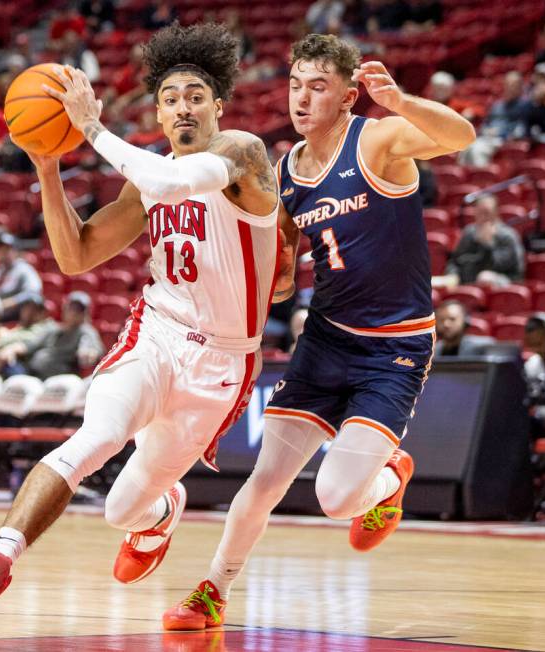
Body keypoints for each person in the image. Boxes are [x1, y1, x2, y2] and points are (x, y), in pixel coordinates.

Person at [0, 21, 280, 626]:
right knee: (95, 437)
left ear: (218, 108)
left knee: (122, 509)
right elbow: (75, 257)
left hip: (224, 362)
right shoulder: (144, 185)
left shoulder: (242, 152)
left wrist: (92, 126)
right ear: (157, 111)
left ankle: (158, 513)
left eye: (196, 98)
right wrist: (48, 169)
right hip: (156, 333)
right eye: (172, 98)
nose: (184, 108)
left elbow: (175, 179)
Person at [163, 33, 475, 630]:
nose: (302, 98)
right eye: (295, 85)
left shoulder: (378, 140)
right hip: (326, 341)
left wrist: (402, 101)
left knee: (335, 500)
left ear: (349, 95)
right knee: (264, 480)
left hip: (394, 348)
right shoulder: (285, 171)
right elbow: (278, 275)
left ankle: (388, 480)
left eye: (318, 86)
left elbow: (462, 135)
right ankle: (212, 590)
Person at [20, 291, 104, 379]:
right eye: (72, 307)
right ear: (65, 308)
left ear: (85, 313)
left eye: (79, 309)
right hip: (32, 373)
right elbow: (31, 345)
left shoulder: (85, 331)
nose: (74, 312)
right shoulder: (52, 328)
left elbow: (90, 347)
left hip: (59, 380)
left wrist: (89, 353)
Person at [445, 194, 525, 286]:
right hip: (470, 281)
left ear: (495, 213)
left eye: (486, 213)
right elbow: (455, 261)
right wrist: (452, 274)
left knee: (485, 277)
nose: (483, 217)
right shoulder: (469, 233)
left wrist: (486, 243)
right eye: (479, 212)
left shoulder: (508, 236)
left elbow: (492, 266)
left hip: (507, 282)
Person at [0, 231, 42, 322]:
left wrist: (11, 301)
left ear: (16, 251)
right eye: (1, 248)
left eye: (8, 249)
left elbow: (33, 293)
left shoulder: (24, 270)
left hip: (14, 321)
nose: (4, 252)